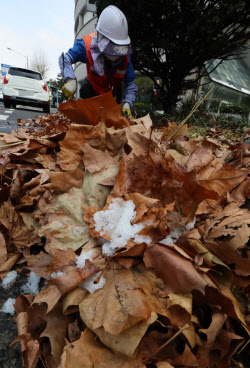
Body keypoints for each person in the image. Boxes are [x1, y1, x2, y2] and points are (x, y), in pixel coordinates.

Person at [58, 5, 137, 118]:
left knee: (114, 121)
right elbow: (65, 58)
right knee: (85, 97)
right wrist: (70, 79)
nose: (116, 54)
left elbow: (130, 85)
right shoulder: (87, 45)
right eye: (112, 48)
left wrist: (128, 103)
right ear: (101, 39)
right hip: (92, 89)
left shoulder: (125, 57)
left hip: (113, 94)